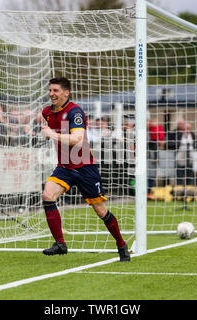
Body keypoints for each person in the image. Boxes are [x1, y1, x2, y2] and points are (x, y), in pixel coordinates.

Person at [40, 77, 130, 261]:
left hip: (84, 168)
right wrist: (50, 134)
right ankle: (60, 244)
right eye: (50, 91)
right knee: (47, 196)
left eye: (56, 91)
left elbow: (77, 139)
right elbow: (54, 130)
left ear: (66, 93)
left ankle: (121, 244)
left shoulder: (75, 111)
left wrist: (52, 134)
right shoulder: (47, 112)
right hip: (64, 166)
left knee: (101, 211)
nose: (51, 94)